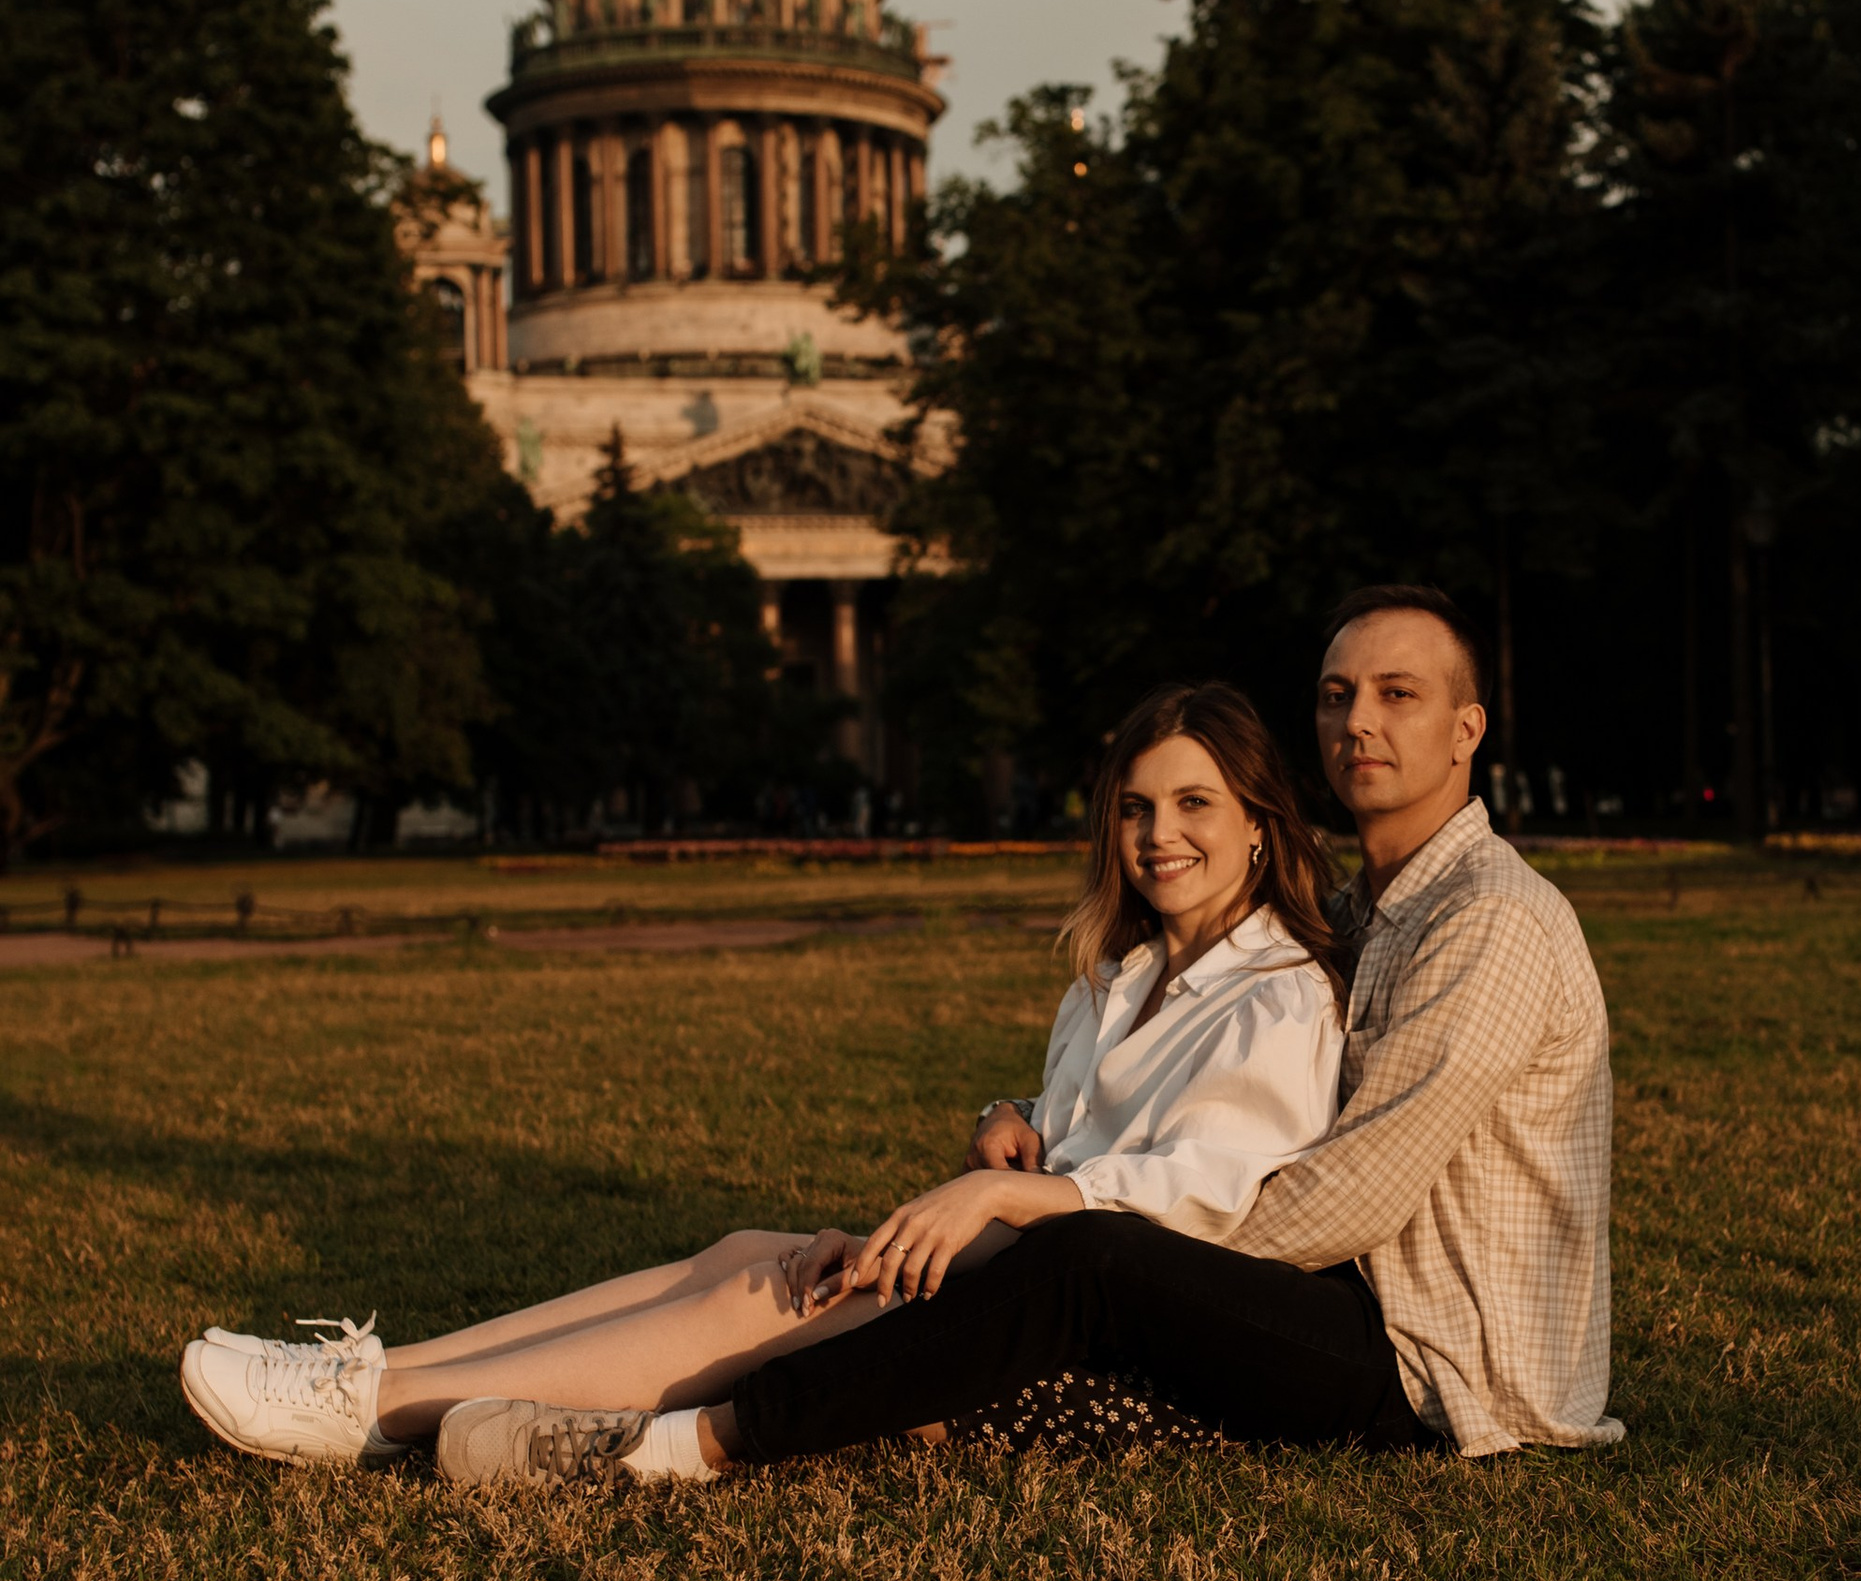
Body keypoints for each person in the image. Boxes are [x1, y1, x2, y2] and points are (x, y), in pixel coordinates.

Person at [437, 583, 1619, 1477]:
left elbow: (1345, 1202)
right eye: (1336, 694)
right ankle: (442, 1398)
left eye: (1398, 696)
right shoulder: (1364, 911)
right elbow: (1212, 1074)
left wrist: (1076, 1216)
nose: (1358, 721)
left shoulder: (1488, 922)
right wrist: (1040, 1145)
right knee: (930, 1278)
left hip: (1447, 1370)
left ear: (1467, 729)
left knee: (1074, 1269)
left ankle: (689, 1444)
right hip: (1354, 1317)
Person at [178, 684, 1346, 1479]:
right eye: (1137, 807)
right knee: (750, 1252)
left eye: (1195, 804)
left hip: (1116, 1341)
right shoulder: (1128, 969)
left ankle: (366, 1417)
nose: (1158, 835)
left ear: (1257, 822)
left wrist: (988, 1200)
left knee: (783, 1296)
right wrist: (1016, 1120)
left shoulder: (1280, 990)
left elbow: (1213, 1197)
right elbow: (1106, 1128)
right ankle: (384, 1373)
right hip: (1037, 1279)